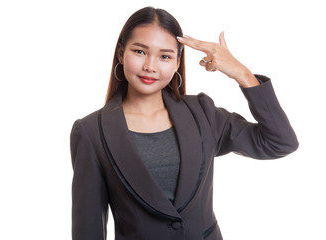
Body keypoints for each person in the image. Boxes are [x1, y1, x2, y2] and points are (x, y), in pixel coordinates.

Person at [70, 6, 298, 240]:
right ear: (121, 53)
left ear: (178, 62)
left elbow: (280, 142)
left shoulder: (202, 113)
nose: (150, 66)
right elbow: (88, 230)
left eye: (165, 56)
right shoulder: (91, 132)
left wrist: (241, 73)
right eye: (140, 51)